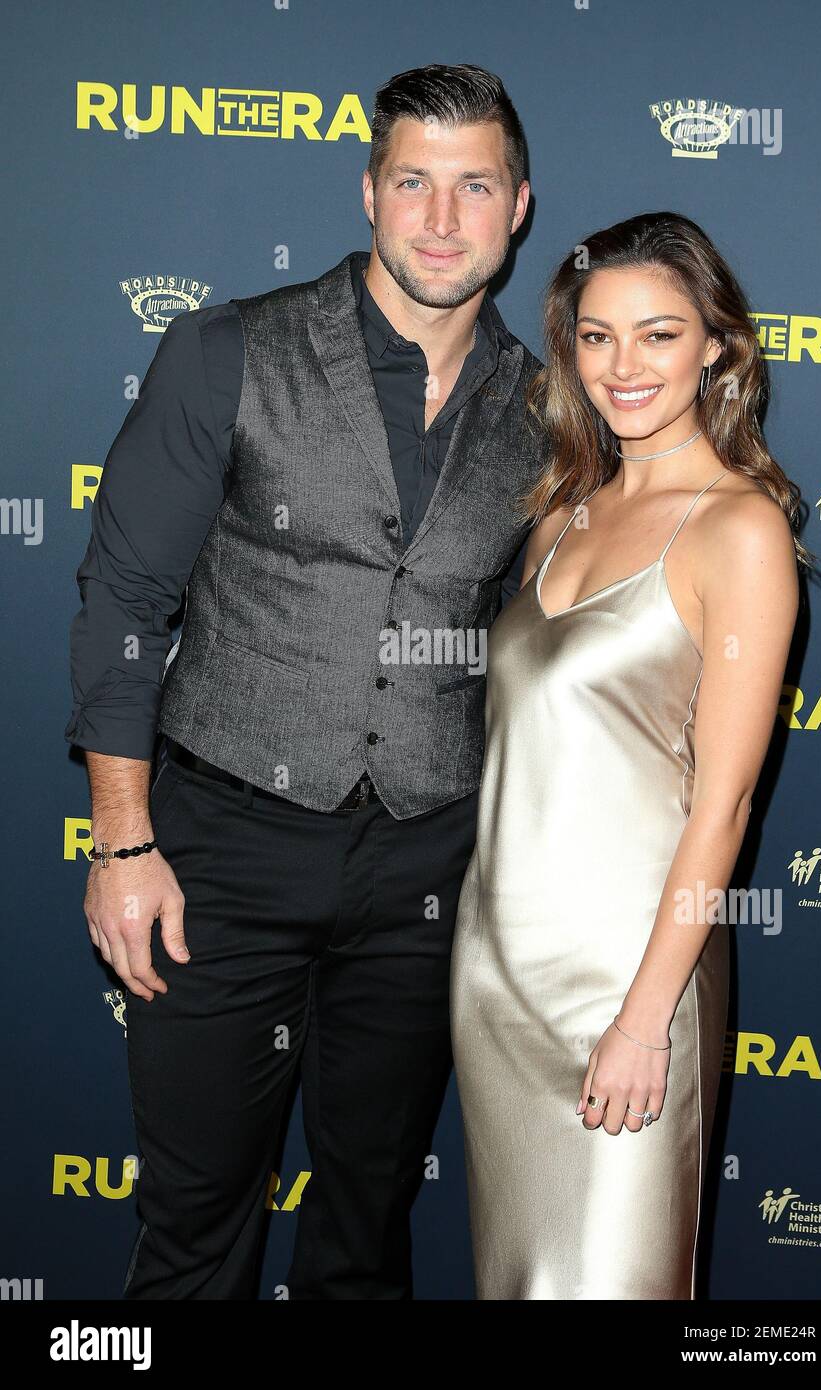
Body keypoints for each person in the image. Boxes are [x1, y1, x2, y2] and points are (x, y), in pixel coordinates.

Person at [65, 63, 545, 1299]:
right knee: (195, 1225)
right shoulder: (228, 349)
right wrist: (124, 842)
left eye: (472, 186)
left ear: (518, 206)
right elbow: (126, 604)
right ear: (369, 194)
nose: (441, 220)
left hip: (425, 869)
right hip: (221, 848)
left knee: (366, 1218)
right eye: (413, 184)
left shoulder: (547, 408)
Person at [450, 211, 810, 1300]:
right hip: (496, 970)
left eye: (657, 335)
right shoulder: (560, 508)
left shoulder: (736, 529)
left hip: (626, 976)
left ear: (715, 346)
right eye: (595, 337)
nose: (622, 366)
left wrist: (646, 1018)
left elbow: (724, 803)